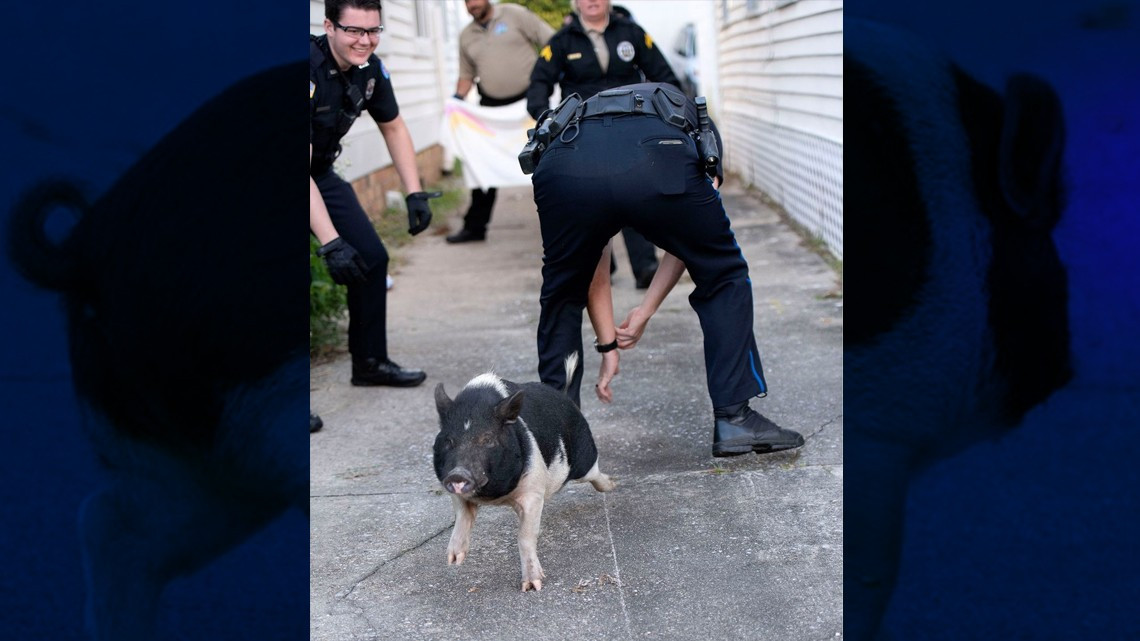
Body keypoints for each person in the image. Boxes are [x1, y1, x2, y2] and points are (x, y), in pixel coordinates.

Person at [529, 82, 805, 457]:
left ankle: (557, 439)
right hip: (659, 161)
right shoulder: (695, 128)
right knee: (724, 273)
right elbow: (691, 244)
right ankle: (734, 418)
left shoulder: (588, 117)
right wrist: (644, 311)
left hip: (564, 166)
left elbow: (594, 256)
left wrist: (610, 340)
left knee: (561, 293)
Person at [311, 0, 435, 388]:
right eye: (354, 31)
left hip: (319, 172)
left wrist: (414, 192)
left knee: (370, 258)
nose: (365, 41)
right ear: (329, 25)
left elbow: (394, 126)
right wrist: (331, 243)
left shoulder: (369, 69)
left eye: (373, 30)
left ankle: (369, 363)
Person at [527, 0, 670, 289]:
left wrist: (669, 114)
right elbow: (538, 89)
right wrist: (550, 122)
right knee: (592, 199)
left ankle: (645, 267)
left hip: (631, 128)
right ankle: (600, 263)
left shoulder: (631, 32)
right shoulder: (562, 41)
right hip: (584, 132)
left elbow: (664, 77)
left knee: (634, 194)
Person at [446, 0, 555, 244]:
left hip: (530, 103)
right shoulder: (466, 36)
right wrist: (455, 101)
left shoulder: (515, 14)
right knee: (481, 164)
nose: (472, 5)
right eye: (467, 2)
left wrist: (549, 75)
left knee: (549, 159)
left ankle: (564, 220)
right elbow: (466, 75)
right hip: (492, 109)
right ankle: (475, 227)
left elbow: (552, 41)